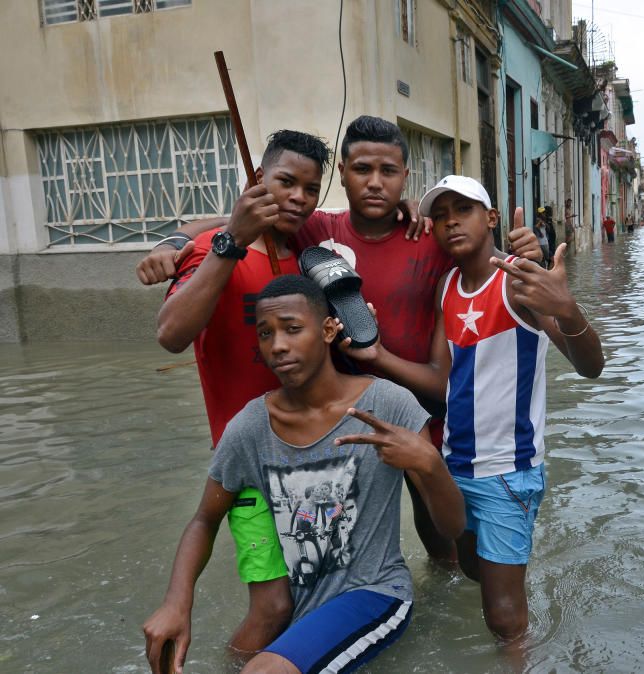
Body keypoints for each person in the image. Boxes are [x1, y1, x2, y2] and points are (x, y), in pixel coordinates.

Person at [136, 115, 542, 564]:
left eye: (388, 172)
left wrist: (528, 258)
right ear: (344, 174)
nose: (374, 183)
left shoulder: (428, 234)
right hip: (336, 417)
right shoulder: (315, 229)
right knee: (334, 547)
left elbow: (482, 260)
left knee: (451, 545)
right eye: (362, 170)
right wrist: (170, 239)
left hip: (422, 408)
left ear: (405, 178)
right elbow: (243, 218)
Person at [142, 274, 465, 674]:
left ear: (329, 329)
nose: (278, 345)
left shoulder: (388, 404)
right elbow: (204, 520)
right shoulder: (250, 428)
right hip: (301, 607)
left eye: (293, 329)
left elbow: (453, 526)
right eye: (265, 333)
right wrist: (177, 603)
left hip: (375, 593)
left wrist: (429, 464)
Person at [344, 175, 604, 641]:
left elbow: (591, 367)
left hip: (509, 469)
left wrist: (567, 309)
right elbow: (443, 384)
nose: (450, 223)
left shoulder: (519, 281)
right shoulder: (447, 286)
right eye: (440, 216)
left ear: (491, 218)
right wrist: (378, 357)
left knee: (504, 619)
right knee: (471, 572)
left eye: (462, 210)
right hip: (455, 465)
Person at [155, 129, 331, 656]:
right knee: (273, 605)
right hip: (246, 463)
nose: (298, 197)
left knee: (317, 594)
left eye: (310, 188)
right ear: (258, 181)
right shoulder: (212, 250)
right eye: (285, 182)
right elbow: (170, 335)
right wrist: (228, 240)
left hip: (315, 456)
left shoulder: (309, 255)